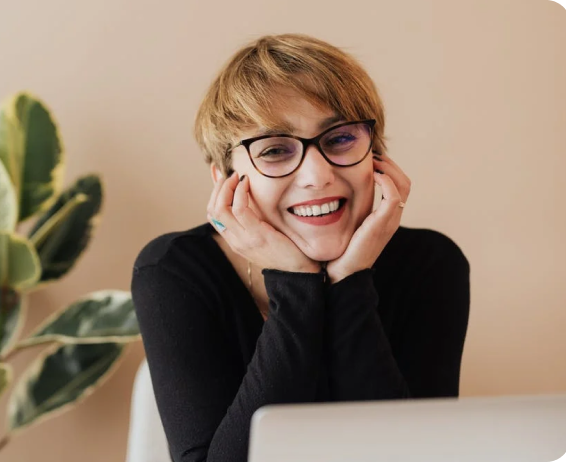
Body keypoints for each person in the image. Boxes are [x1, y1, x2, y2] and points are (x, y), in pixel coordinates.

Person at [130, 33, 470, 462]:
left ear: (376, 157)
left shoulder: (430, 264)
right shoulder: (174, 271)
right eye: (274, 150)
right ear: (225, 179)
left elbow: (417, 456)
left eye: (340, 138)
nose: (317, 174)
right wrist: (295, 282)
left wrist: (350, 281)